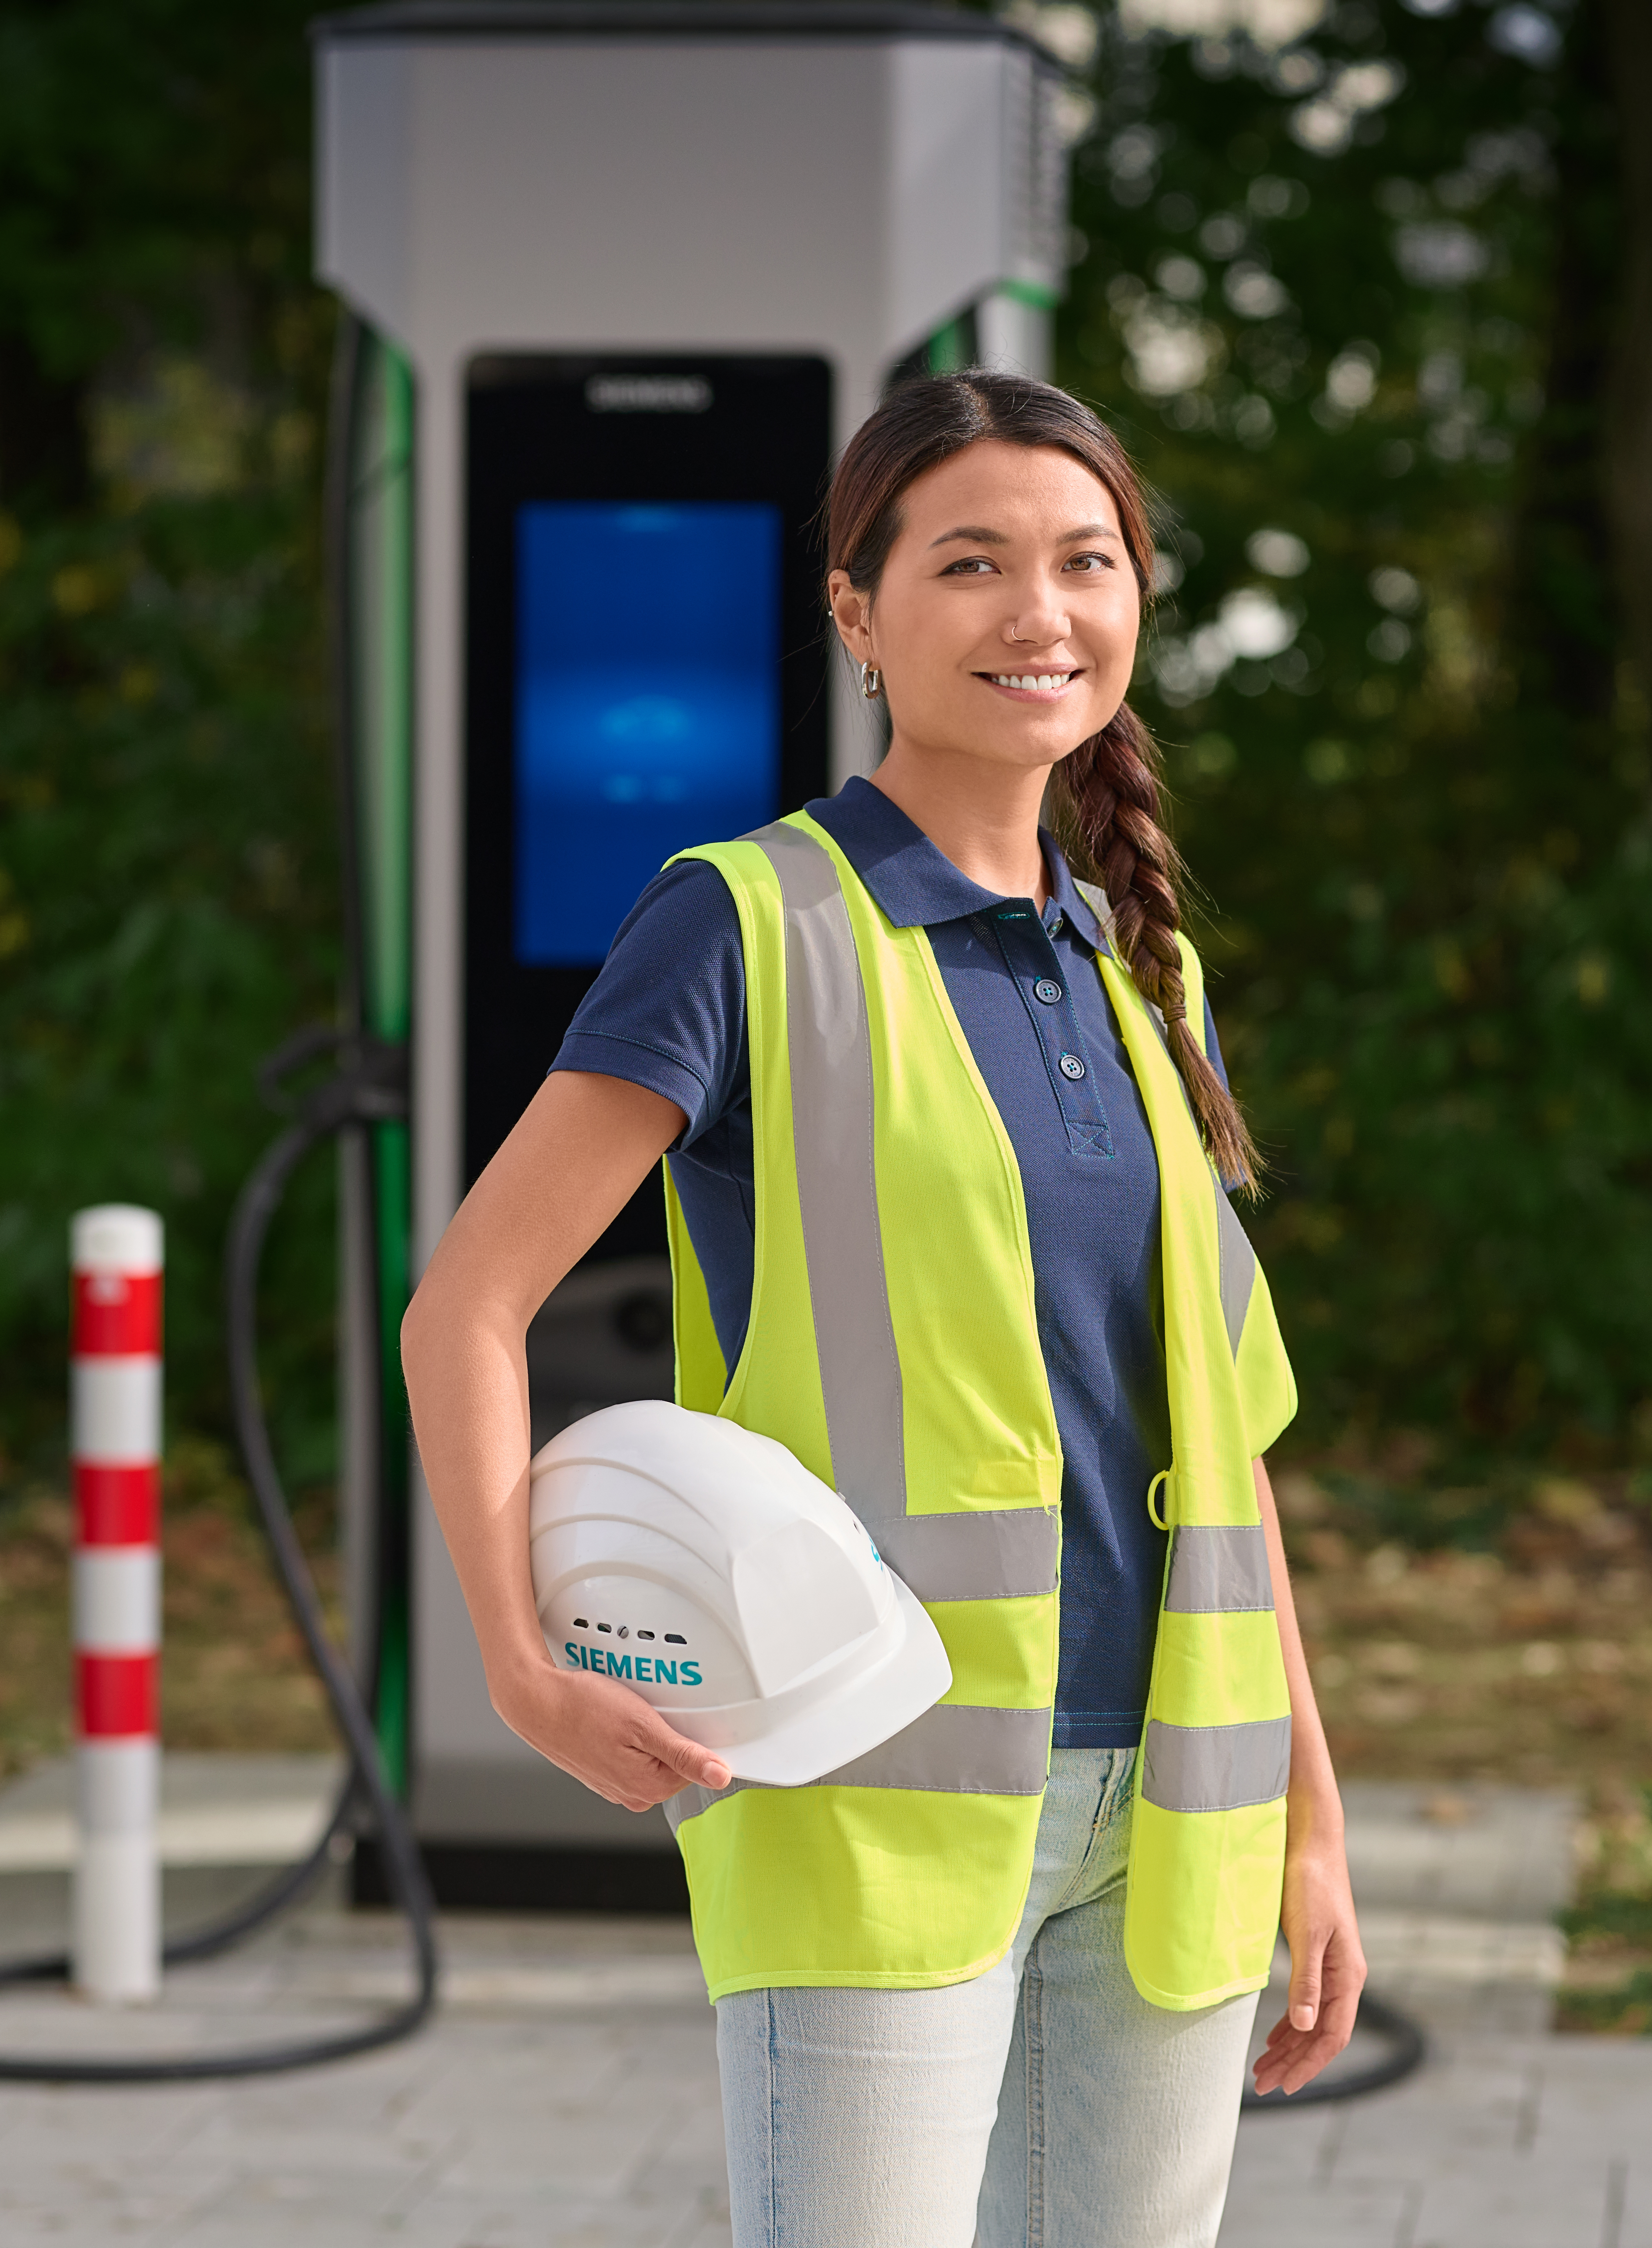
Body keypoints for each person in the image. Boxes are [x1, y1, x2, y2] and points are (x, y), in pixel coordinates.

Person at [397, 370, 1361, 2248]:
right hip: (867, 1794)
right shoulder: (747, 922)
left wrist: (1312, 1817)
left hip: (1176, 1816)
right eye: (974, 561)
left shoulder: (1144, 961)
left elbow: (1227, 1452)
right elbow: (469, 1303)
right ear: (858, 609)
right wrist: (520, 1660)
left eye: (1088, 562)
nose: (1041, 613)